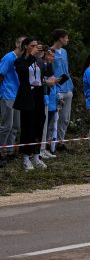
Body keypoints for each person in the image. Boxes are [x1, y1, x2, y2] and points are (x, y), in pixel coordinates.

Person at [14, 38, 48, 170]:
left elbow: (45, 75)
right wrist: (32, 56)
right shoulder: (19, 61)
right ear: (26, 46)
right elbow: (22, 72)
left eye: (37, 45)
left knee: (39, 124)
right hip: (27, 95)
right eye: (33, 45)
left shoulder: (38, 61)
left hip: (38, 94)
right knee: (28, 125)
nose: (36, 47)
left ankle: (36, 155)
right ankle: (26, 157)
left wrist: (47, 61)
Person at [0, 35, 24, 161]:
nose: (23, 45)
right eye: (21, 42)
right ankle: (1, 152)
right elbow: (0, 74)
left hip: (17, 95)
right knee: (6, 126)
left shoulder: (22, 59)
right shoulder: (9, 57)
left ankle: (9, 151)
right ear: (16, 43)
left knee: (15, 125)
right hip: (8, 94)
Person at [50, 29, 73, 147]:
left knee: (65, 119)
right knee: (54, 118)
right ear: (60, 38)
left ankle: (60, 142)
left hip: (68, 88)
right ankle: (50, 142)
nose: (67, 40)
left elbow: (66, 69)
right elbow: (48, 71)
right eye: (66, 37)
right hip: (56, 89)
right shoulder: (50, 51)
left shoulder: (64, 52)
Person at [39, 45, 62, 159]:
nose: (52, 57)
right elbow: (41, 81)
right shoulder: (41, 65)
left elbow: (51, 82)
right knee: (43, 126)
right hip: (45, 98)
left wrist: (58, 95)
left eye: (53, 55)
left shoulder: (49, 66)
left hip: (51, 100)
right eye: (50, 55)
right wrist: (49, 82)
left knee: (48, 127)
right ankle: (39, 150)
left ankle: (44, 148)